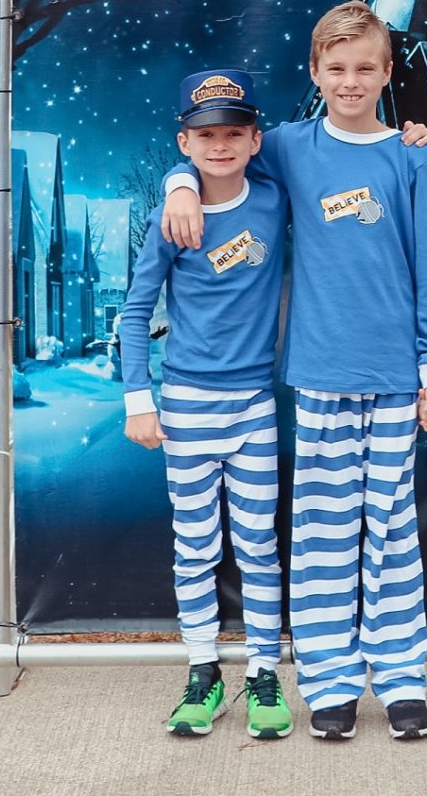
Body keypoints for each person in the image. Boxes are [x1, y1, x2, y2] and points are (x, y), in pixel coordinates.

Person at [162, 0, 427, 741]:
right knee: (322, 532)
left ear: (388, 72)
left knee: (390, 531)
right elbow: (213, 152)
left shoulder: (414, 158)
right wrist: (179, 186)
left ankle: (399, 678)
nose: (350, 81)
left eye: (364, 68)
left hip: (394, 377)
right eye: (336, 68)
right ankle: (328, 680)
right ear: (316, 73)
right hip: (320, 372)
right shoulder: (289, 145)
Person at [118, 68, 293, 740]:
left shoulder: (275, 200)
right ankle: (202, 671)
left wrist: (410, 140)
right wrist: (141, 398)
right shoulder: (171, 220)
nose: (219, 146)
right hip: (187, 404)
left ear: (254, 139)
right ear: (184, 141)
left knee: (257, 544)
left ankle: (262, 672)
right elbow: (135, 314)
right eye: (204, 136)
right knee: (195, 547)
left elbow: (328, 155)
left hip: (253, 404)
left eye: (233, 133)